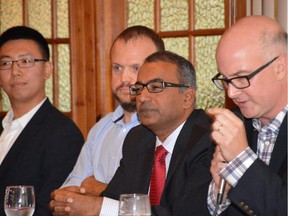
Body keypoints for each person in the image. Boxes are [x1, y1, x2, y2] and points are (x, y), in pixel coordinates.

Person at [50, 50, 214, 216]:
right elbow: (114, 199)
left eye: (155, 87)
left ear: (188, 97)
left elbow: (185, 213)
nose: (142, 97)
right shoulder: (138, 138)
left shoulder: (209, 140)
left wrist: (97, 207)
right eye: (138, 88)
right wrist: (76, 200)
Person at [60, 25, 165, 195]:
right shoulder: (101, 128)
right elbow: (69, 190)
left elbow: (154, 203)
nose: (124, 78)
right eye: (117, 68)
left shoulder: (164, 130)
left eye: (135, 68)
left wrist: (101, 191)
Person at [206, 15, 287, 216]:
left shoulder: (235, 138)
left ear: (280, 68)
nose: (231, 93)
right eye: (225, 80)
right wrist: (220, 192)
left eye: (241, 78)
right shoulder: (236, 124)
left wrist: (241, 159)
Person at [0, 26, 84, 215]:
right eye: (6, 63)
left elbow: (50, 208)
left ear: (48, 69)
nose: (15, 71)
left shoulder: (63, 134)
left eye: (25, 61)